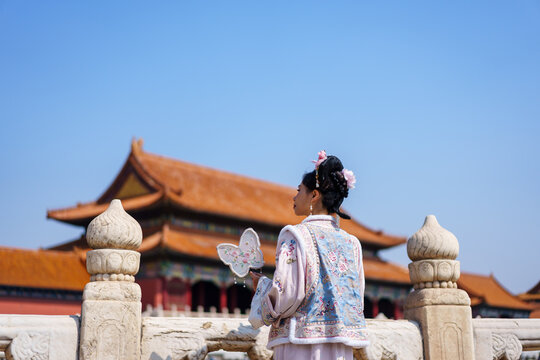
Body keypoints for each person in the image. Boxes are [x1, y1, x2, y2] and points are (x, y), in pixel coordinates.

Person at [249, 151, 369, 360]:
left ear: (314, 195)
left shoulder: (296, 236)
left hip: (301, 345)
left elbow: (287, 294)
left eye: (299, 191)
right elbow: (356, 299)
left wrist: (261, 287)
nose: (295, 197)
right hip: (340, 348)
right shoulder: (352, 243)